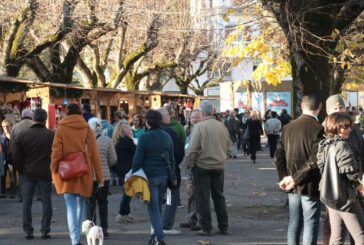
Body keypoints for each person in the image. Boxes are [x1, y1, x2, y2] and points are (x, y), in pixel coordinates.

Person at [275, 93, 324, 245]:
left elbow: (278, 156)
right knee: (310, 224)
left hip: (292, 184)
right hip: (310, 185)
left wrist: (285, 178)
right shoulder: (319, 129)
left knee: (294, 224)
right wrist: (292, 179)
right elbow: (314, 161)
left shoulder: (288, 127)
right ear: (320, 108)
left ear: (302, 106)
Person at [50, 104, 103, 245]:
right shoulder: (87, 129)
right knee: (81, 205)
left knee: (71, 207)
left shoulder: (61, 128)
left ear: (67, 113)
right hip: (83, 173)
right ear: (80, 113)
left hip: (66, 173)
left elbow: (56, 153)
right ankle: (77, 237)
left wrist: (53, 170)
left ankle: (75, 240)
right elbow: (95, 156)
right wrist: (99, 176)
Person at [322, 94, 364, 245]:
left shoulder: (326, 144)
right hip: (346, 194)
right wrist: (359, 187)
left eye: (341, 107)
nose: (348, 129)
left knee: (337, 236)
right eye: (344, 127)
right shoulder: (341, 145)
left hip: (331, 193)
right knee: (360, 235)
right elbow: (349, 172)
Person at [185, 101, 231, 235]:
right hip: (219, 166)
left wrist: (190, 164)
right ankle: (224, 226)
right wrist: (223, 159)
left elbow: (192, 149)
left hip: (202, 166)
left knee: (203, 197)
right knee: (219, 196)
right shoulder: (222, 126)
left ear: (202, 112)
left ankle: (206, 227)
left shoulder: (199, 127)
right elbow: (229, 147)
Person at [132, 110, 175, 245]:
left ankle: (159, 237)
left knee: (153, 207)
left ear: (148, 122)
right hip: (164, 176)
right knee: (157, 207)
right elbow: (172, 159)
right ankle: (155, 235)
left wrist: (134, 174)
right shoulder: (167, 136)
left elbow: (137, 159)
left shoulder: (145, 137)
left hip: (150, 176)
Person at [12, 109, 54, 240]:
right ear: (45, 119)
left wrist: (21, 170)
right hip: (45, 172)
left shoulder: (23, 135)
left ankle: (28, 231)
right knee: (47, 201)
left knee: (27, 202)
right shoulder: (51, 135)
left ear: (33, 119)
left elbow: (16, 156)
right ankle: (45, 230)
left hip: (27, 173)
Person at [86, 117, 117, 237]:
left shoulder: (85, 141)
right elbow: (113, 160)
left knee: (90, 203)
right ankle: (104, 229)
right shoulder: (108, 140)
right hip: (104, 177)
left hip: (89, 177)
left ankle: (91, 228)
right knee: (103, 202)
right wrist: (105, 164)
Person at [158, 108, 185, 235]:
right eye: (168, 115)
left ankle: (156, 225)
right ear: (163, 117)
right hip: (169, 171)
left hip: (154, 172)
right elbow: (179, 152)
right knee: (170, 196)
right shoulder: (170, 132)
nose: (170, 117)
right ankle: (166, 225)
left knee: (156, 199)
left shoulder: (149, 132)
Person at [179, 109, 203, 231]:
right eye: (192, 117)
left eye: (197, 117)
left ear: (202, 118)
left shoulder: (203, 131)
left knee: (199, 195)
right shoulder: (190, 131)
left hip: (199, 167)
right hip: (189, 168)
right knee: (190, 195)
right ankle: (191, 219)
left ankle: (200, 220)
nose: (194, 119)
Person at [114, 121, 136, 223]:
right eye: (128, 129)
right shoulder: (127, 141)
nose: (130, 131)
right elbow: (136, 151)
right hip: (128, 169)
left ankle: (127, 212)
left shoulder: (116, 141)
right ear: (123, 130)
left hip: (120, 169)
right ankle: (122, 212)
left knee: (127, 190)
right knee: (128, 192)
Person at [1, 119, 18, 198]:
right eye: (4, 126)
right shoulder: (1, 137)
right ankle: (2, 193)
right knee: (2, 176)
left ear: (11, 126)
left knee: (12, 176)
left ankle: (13, 193)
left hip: (12, 158)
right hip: (3, 158)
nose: (6, 128)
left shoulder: (15, 136)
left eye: (7, 126)